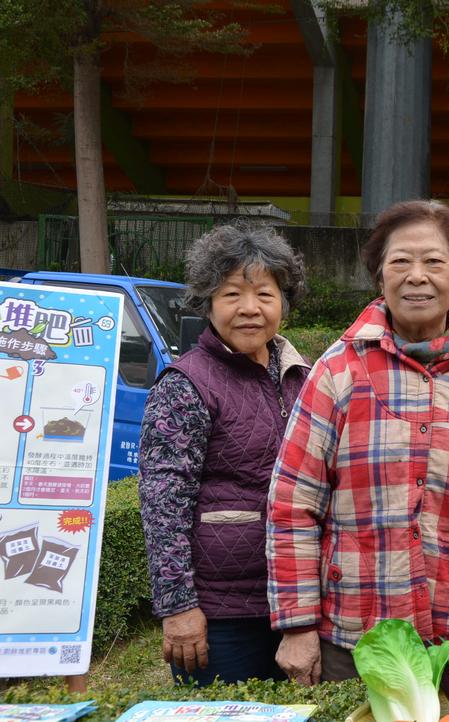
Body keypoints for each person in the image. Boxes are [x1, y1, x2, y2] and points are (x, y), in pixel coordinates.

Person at [267, 200, 449, 685]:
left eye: (434, 262)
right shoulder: (336, 372)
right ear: (379, 276)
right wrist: (297, 625)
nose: (417, 276)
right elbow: (293, 503)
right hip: (356, 636)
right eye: (400, 261)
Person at [138, 224, 310, 686]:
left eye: (265, 294)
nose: (250, 308)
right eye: (232, 293)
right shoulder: (186, 384)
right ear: (208, 302)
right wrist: (178, 608)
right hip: (220, 614)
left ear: (283, 304)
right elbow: (162, 503)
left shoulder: (302, 376)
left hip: (296, 605)